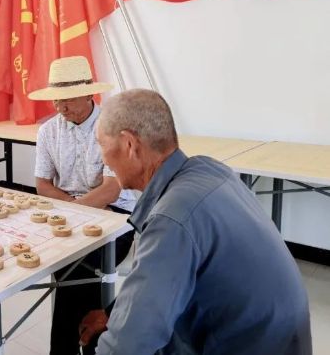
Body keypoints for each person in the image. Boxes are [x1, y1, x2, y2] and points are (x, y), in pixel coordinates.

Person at [81, 89, 312, 354]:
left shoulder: (171, 219)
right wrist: (114, 312)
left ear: (129, 145)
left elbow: (127, 346)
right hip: (284, 337)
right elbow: (158, 283)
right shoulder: (208, 168)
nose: (102, 157)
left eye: (101, 144)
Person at [28, 56, 136, 355]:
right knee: (67, 265)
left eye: (67, 99)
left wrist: (76, 210)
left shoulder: (113, 128)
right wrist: (74, 208)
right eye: (56, 100)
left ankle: (69, 348)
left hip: (116, 215)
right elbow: (43, 185)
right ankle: (93, 345)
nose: (60, 107)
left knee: (75, 269)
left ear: (89, 94)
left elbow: (111, 189)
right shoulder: (49, 131)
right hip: (71, 212)